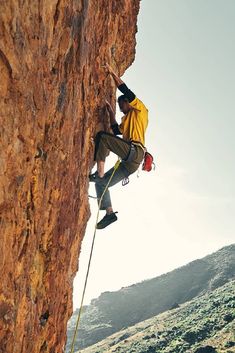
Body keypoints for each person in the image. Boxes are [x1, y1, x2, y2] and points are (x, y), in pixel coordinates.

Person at [89, 64, 148, 229]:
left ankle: (99, 173)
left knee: (102, 137)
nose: (121, 109)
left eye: (121, 106)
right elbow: (116, 131)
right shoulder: (126, 119)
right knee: (101, 184)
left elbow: (126, 90)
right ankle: (109, 213)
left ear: (127, 103)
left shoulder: (140, 110)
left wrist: (112, 73)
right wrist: (111, 114)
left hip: (135, 152)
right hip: (129, 163)